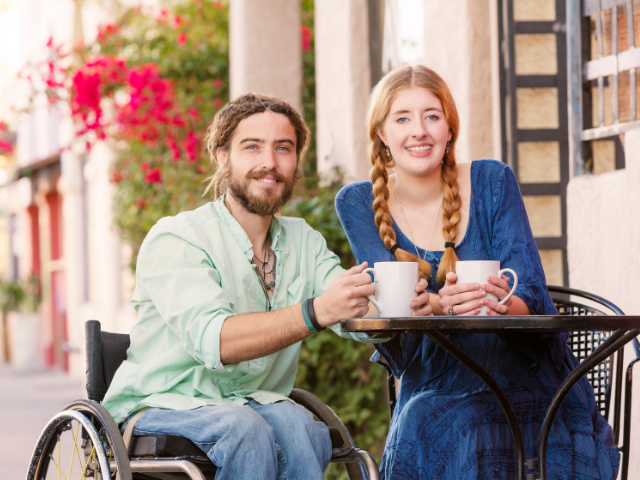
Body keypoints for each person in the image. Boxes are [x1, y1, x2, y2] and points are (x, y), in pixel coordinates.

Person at [102, 92, 432, 480]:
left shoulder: (302, 240)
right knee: (245, 431)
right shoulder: (177, 238)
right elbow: (217, 340)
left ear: (296, 161)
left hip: (253, 403)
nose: (269, 163)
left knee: (302, 428)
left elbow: (351, 308)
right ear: (223, 156)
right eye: (252, 147)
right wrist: (316, 311)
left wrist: (402, 306)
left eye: (283, 148)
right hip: (164, 405)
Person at [335, 65, 619, 479]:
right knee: (434, 418)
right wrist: (441, 306)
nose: (419, 130)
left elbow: (533, 294)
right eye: (402, 118)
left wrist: (498, 302)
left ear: (450, 128)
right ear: (381, 133)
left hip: (527, 376)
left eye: (432, 116)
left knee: (471, 421)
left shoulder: (492, 180)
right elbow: (390, 299)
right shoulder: (358, 202)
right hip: (436, 378)